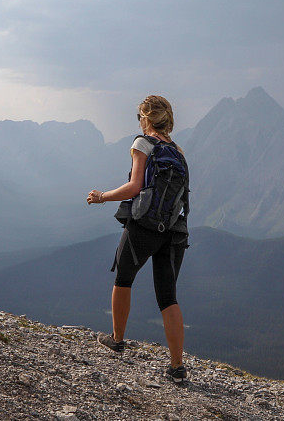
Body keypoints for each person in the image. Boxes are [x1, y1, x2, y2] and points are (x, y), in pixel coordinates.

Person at [86, 95, 190, 383]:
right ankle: (177, 367)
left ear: (146, 118)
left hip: (143, 227)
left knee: (124, 276)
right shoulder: (178, 151)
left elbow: (134, 186)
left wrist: (102, 197)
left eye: (139, 117)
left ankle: (117, 340)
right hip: (173, 231)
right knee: (168, 296)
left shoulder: (142, 143)